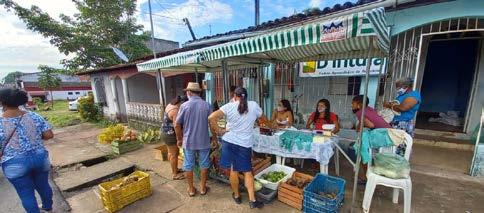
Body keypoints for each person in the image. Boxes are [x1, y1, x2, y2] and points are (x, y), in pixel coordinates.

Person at [208, 87, 264, 209]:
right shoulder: (253, 105)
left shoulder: (229, 106)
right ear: (246, 96)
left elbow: (211, 117)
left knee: (233, 169)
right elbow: (262, 118)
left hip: (229, 141)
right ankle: (252, 200)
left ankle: (237, 196)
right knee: (247, 171)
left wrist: (219, 131)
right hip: (245, 144)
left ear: (235, 96)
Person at [0, 88, 54, 213]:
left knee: (26, 194)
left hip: (14, 163)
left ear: (3, 102)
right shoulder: (34, 115)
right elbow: (49, 135)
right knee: (43, 185)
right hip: (40, 158)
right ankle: (48, 208)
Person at [175, 82, 212, 197]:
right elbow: (212, 123)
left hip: (189, 141)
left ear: (190, 92)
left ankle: (191, 189)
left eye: (187, 91)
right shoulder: (207, 105)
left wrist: (179, 139)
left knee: (188, 165)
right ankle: (202, 188)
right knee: (204, 164)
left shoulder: (184, 106)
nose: (186, 93)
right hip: (204, 141)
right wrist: (214, 138)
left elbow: (177, 125)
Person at [350, 95, 391, 184]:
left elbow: (370, 125)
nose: (351, 105)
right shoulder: (369, 109)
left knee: (362, 149)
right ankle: (368, 176)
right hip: (388, 133)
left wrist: (358, 128)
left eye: (353, 103)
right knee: (364, 147)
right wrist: (358, 127)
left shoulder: (360, 112)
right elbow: (363, 122)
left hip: (383, 136)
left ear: (359, 105)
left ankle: (367, 177)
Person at [161, 95, 188, 180]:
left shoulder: (170, 105)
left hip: (165, 132)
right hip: (170, 134)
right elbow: (176, 126)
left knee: (171, 153)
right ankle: (175, 174)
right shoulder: (175, 110)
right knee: (174, 154)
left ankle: (174, 169)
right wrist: (179, 139)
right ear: (182, 103)